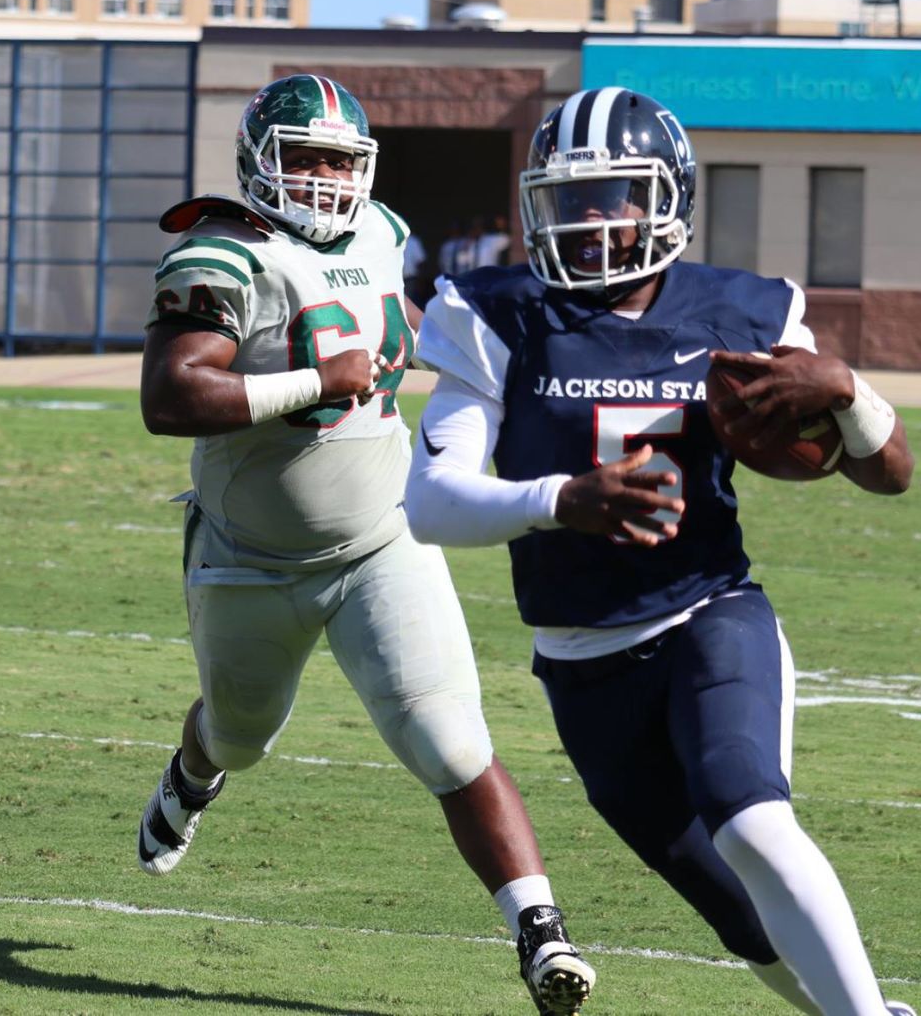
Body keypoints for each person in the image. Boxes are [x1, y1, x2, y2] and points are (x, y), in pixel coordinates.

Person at [404, 86, 919, 1016]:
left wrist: (845, 390)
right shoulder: (498, 314)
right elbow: (431, 502)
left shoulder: (741, 309)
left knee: (751, 817)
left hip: (706, 611)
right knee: (731, 908)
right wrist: (562, 499)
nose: (593, 221)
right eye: (572, 199)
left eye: (616, 196)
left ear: (669, 199)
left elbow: (888, 473)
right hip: (582, 658)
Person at [136, 74, 596, 1015]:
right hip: (247, 559)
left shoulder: (380, 231)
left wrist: (462, 362)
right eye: (303, 158)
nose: (322, 179)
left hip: (384, 537)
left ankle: (539, 930)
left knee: (447, 733)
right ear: (260, 161)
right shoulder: (223, 253)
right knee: (241, 736)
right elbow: (170, 396)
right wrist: (313, 380)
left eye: (339, 161)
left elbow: (392, 326)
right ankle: (192, 773)